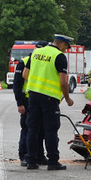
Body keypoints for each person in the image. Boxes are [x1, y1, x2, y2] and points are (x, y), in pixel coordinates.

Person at [23, 34, 76, 171]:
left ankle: (31, 161)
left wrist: (37, 85)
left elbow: (25, 75)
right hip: (50, 99)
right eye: (66, 48)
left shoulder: (36, 52)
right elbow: (63, 82)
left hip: (33, 96)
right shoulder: (59, 56)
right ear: (63, 44)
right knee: (50, 130)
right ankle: (53, 161)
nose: (66, 50)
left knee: (33, 129)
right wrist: (68, 98)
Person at [13, 46, 47, 167]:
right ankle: (24, 156)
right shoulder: (25, 62)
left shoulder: (45, 62)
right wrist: (19, 103)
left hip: (39, 100)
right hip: (26, 100)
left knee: (41, 130)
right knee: (27, 129)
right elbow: (17, 84)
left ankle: (39, 155)